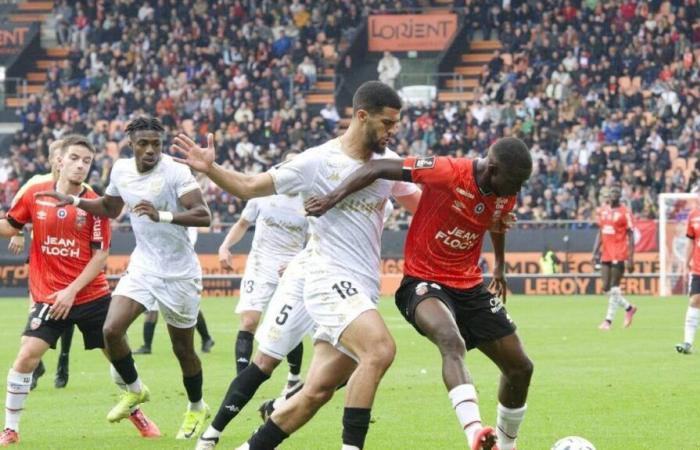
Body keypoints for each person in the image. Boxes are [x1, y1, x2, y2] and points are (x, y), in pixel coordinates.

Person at [172, 81, 422, 450]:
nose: (392, 131)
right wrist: (212, 170)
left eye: (395, 124)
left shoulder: (386, 166)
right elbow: (249, 186)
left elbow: (422, 207)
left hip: (363, 285)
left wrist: (480, 217)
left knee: (316, 391)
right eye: (387, 123)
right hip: (326, 277)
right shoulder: (317, 161)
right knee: (380, 349)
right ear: (361, 116)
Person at [305, 137, 534, 450]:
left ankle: (505, 448)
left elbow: (495, 221)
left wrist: (500, 268)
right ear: (493, 169)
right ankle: (475, 434)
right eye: (515, 182)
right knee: (451, 341)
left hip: (469, 285)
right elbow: (377, 166)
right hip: (424, 282)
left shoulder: (503, 190)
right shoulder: (447, 171)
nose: (518, 190)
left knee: (521, 367)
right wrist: (332, 198)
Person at [38, 117, 213, 439]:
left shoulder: (175, 171)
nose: (150, 150)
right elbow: (110, 206)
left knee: (183, 350)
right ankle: (134, 389)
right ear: (130, 143)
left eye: (156, 144)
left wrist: (162, 215)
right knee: (111, 330)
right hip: (144, 266)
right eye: (143, 143)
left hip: (179, 274)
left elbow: (204, 215)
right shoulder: (120, 170)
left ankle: (197, 406)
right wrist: (75, 201)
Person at [194, 201, 395, 450]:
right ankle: (212, 433)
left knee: (337, 375)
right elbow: (251, 192)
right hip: (307, 277)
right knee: (265, 361)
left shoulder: (383, 188)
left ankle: (279, 407)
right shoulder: (324, 175)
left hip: (352, 283)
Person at [0, 135, 160, 445]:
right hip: (49, 296)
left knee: (115, 356)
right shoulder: (35, 193)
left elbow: (100, 256)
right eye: (74, 158)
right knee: (25, 358)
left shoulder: (96, 203)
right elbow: (11, 224)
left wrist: (72, 291)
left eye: (86, 161)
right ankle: (11, 429)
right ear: (59, 161)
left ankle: (135, 411)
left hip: (90, 295)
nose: (80, 165)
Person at [218, 151, 307, 384]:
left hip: (291, 268)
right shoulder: (262, 194)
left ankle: (294, 377)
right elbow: (242, 223)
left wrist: (297, 263)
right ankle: (241, 379)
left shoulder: (309, 199)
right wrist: (225, 246)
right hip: (260, 264)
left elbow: (317, 239)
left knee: (287, 326)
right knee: (248, 321)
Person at [8, 139, 81, 390]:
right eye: (55, 156)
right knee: (36, 311)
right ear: (53, 159)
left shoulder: (82, 187)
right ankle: (35, 362)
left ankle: (63, 360)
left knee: (68, 313)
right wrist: (17, 233)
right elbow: (15, 213)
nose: (59, 161)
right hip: (42, 258)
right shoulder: (35, 183)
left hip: (71, 260)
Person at [134, 227, 214, 355]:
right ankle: (147, 345)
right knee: (152, 308)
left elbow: (187, 244)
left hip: (179, 271)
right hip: (156, 269)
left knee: (187, 309)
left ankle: (206, 338)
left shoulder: (189, 226)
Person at [592, 184, 637, 330]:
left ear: (619, 196)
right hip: (606, 253)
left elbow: (631, 235)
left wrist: (631, 258)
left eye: (616, 193)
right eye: (611, 192)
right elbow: (600, 232)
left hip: (619, 253)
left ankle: (608, 321)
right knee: (606, 287)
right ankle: (629, 308)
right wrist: (594, 252)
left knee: (614, 287)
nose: (613, 195)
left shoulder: (625, 212)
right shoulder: (603, 211)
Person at [677, 195, 700, 354]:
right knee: (694, 300)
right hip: (698, 266)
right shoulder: (693, 215)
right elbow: (691, 241)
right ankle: (687, 343)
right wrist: (685, 263)